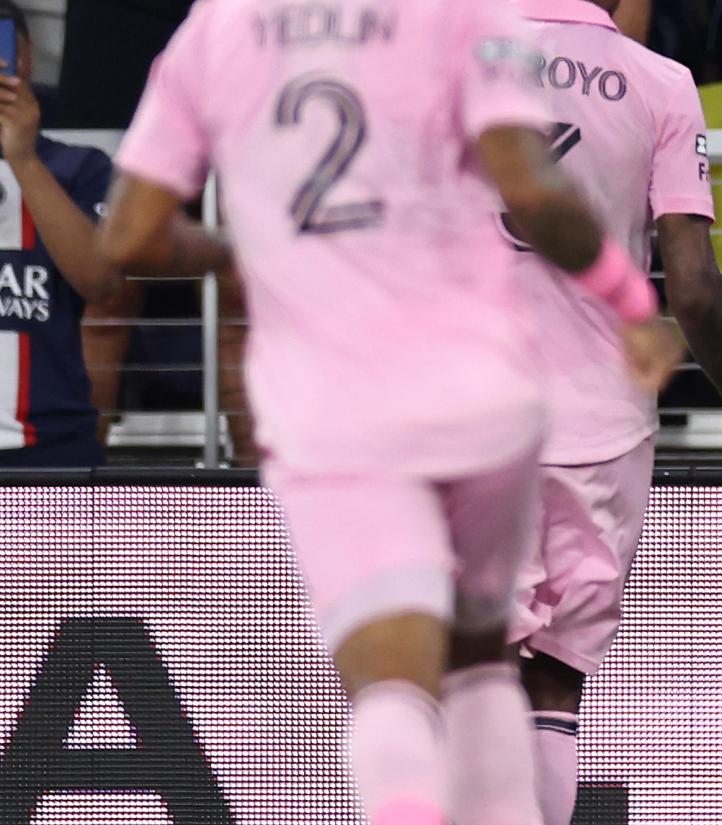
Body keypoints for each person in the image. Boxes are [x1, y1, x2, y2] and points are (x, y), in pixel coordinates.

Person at [98, 2, 678, 824]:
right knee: (484, 665)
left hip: (333, 412)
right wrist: (629, 299)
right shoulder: (460, 13)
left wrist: (248, 249)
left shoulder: (215, 29)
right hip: (480, 393)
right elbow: (529, 182)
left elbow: (128, 238)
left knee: (394, 688)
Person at [505, 1, 722, 823]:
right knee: (554, 681)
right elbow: (691, 282)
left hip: (468, 414)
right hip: (602, 426)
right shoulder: (662, 82)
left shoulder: (452, 48)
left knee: (468, 673)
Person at [0, 2, 117, 467]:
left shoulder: (80, 168)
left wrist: (24, 160)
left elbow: (100, 281)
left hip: (51, 445)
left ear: (25, 58)